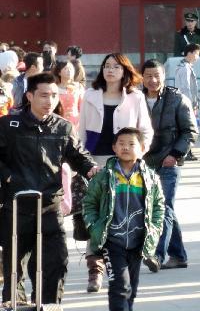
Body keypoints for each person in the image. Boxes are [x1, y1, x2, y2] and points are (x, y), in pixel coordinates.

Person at [0, 72, 98, 305]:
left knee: (55, 261)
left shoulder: (62, 128)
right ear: (29, 96)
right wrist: (8, 178)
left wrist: (91, 169)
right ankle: (16, 304)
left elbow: (78, 155)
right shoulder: (8, 126)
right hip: (17, 205)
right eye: (44, 95)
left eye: (54, 95)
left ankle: (49, 306)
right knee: (15, 265)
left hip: (50, 205)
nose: (49, 101)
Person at [79, 52, 155, 292]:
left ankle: (139, 251)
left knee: (125, 211)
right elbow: (81, 132)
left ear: (125, 71)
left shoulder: (135, 97)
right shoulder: (90, 95)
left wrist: (137, 156)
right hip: (96, 161)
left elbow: (145, 131)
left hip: (125, 162)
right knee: (95, 213)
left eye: (115, 67)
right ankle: (95, 268)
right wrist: (82, 162)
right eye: (106, 66)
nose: (110, 70)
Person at [82, 127, 165, 311]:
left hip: (138, 242)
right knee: (120, 286)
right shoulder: (104, 176)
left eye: (131, 144)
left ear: (143, 148)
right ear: (114, 147)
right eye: (121, 144)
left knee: (131, 288)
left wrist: (154, 230)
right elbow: (89, 204)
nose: (125, 147)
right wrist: (95, 228)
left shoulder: (150, 178)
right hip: (112, 242)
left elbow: (159, 207)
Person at [141, 60, 198, 271]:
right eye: (148, 76)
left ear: (164, 76)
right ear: (142, 78)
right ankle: (179, 255)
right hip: (144, 162)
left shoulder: (177, 98)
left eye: (157, 75)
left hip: (168, 161)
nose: (153, 80)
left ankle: (157, 255)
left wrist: (175, 154)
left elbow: (190, 131)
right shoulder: (135, 99)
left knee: (163, 208)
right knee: (165, 210)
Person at [174, 43, 200, 135]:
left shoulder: (184, 66)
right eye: (197, 54)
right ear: (190, 53)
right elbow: (186, 88)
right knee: (188, 131)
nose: (197, 57)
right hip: (185, 104)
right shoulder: (185, 68)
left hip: (184, 103)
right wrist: (191, 104)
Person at [53, 58, 84, 128]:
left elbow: (82, 106)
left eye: (71, 68)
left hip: (76, 122)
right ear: (59, 72)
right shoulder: (54, 88)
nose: (69, 70)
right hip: (58, 121)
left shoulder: (78, 87)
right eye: (66, 68)